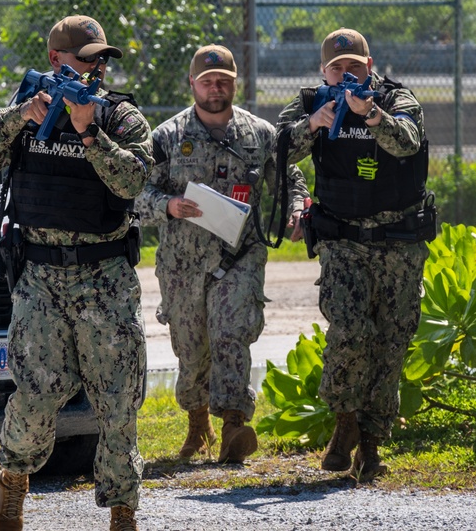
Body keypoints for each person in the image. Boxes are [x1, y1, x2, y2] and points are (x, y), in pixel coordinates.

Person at [0, 14, 153, 531]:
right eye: (87, 58)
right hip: (41, 277)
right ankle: (12, 484)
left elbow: (134, 180)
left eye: (101, 60)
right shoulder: (26, 111)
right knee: (37, 396)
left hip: (103, 276)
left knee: (118, 400)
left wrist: (91, 135)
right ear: (56, 60)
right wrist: (21, 116)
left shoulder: (120, 118)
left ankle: (122, 512)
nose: (96, 68)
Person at [136, 44, 308, 465]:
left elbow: (289, 179)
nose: (216, 88)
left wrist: (296, 208)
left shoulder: (259, 134)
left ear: (236, 84)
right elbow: (136, 193)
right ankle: (199, 424)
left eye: (224, 81)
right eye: (208, 81)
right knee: (192, 348)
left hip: (239, 257)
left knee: (232, 332)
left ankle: (234, 424)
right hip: (183, 263)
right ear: (192, 84)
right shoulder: (167, 137)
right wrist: (168, 206)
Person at [275, 28, 434, 480]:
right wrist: (314, 125)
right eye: (337, 68)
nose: (347, 76)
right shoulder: (311, 103)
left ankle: (372, 442)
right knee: (349, 330)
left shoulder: (397, 100)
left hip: (398, 243)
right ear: (324, 70)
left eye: (355, 67)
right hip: (343, 242)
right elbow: (275, 149)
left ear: (370, 64)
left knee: (391, 340)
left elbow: (408, 141)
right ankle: (344, 424)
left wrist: (373, 116)